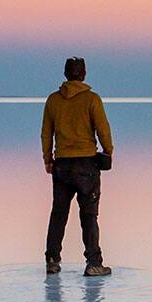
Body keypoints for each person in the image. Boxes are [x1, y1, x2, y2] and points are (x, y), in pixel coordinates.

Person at [42, 56, 113, 277]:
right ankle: (94, 263)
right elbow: (103, 129)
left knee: (59, 214)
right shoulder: (92, 99)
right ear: (83, 75)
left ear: (65, 74)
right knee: (89, 216)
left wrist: (48, 159)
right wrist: (108, 151)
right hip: (86, 165)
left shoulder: (53, 100)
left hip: (62, 165)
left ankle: (52, 260)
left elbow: (46, 133)